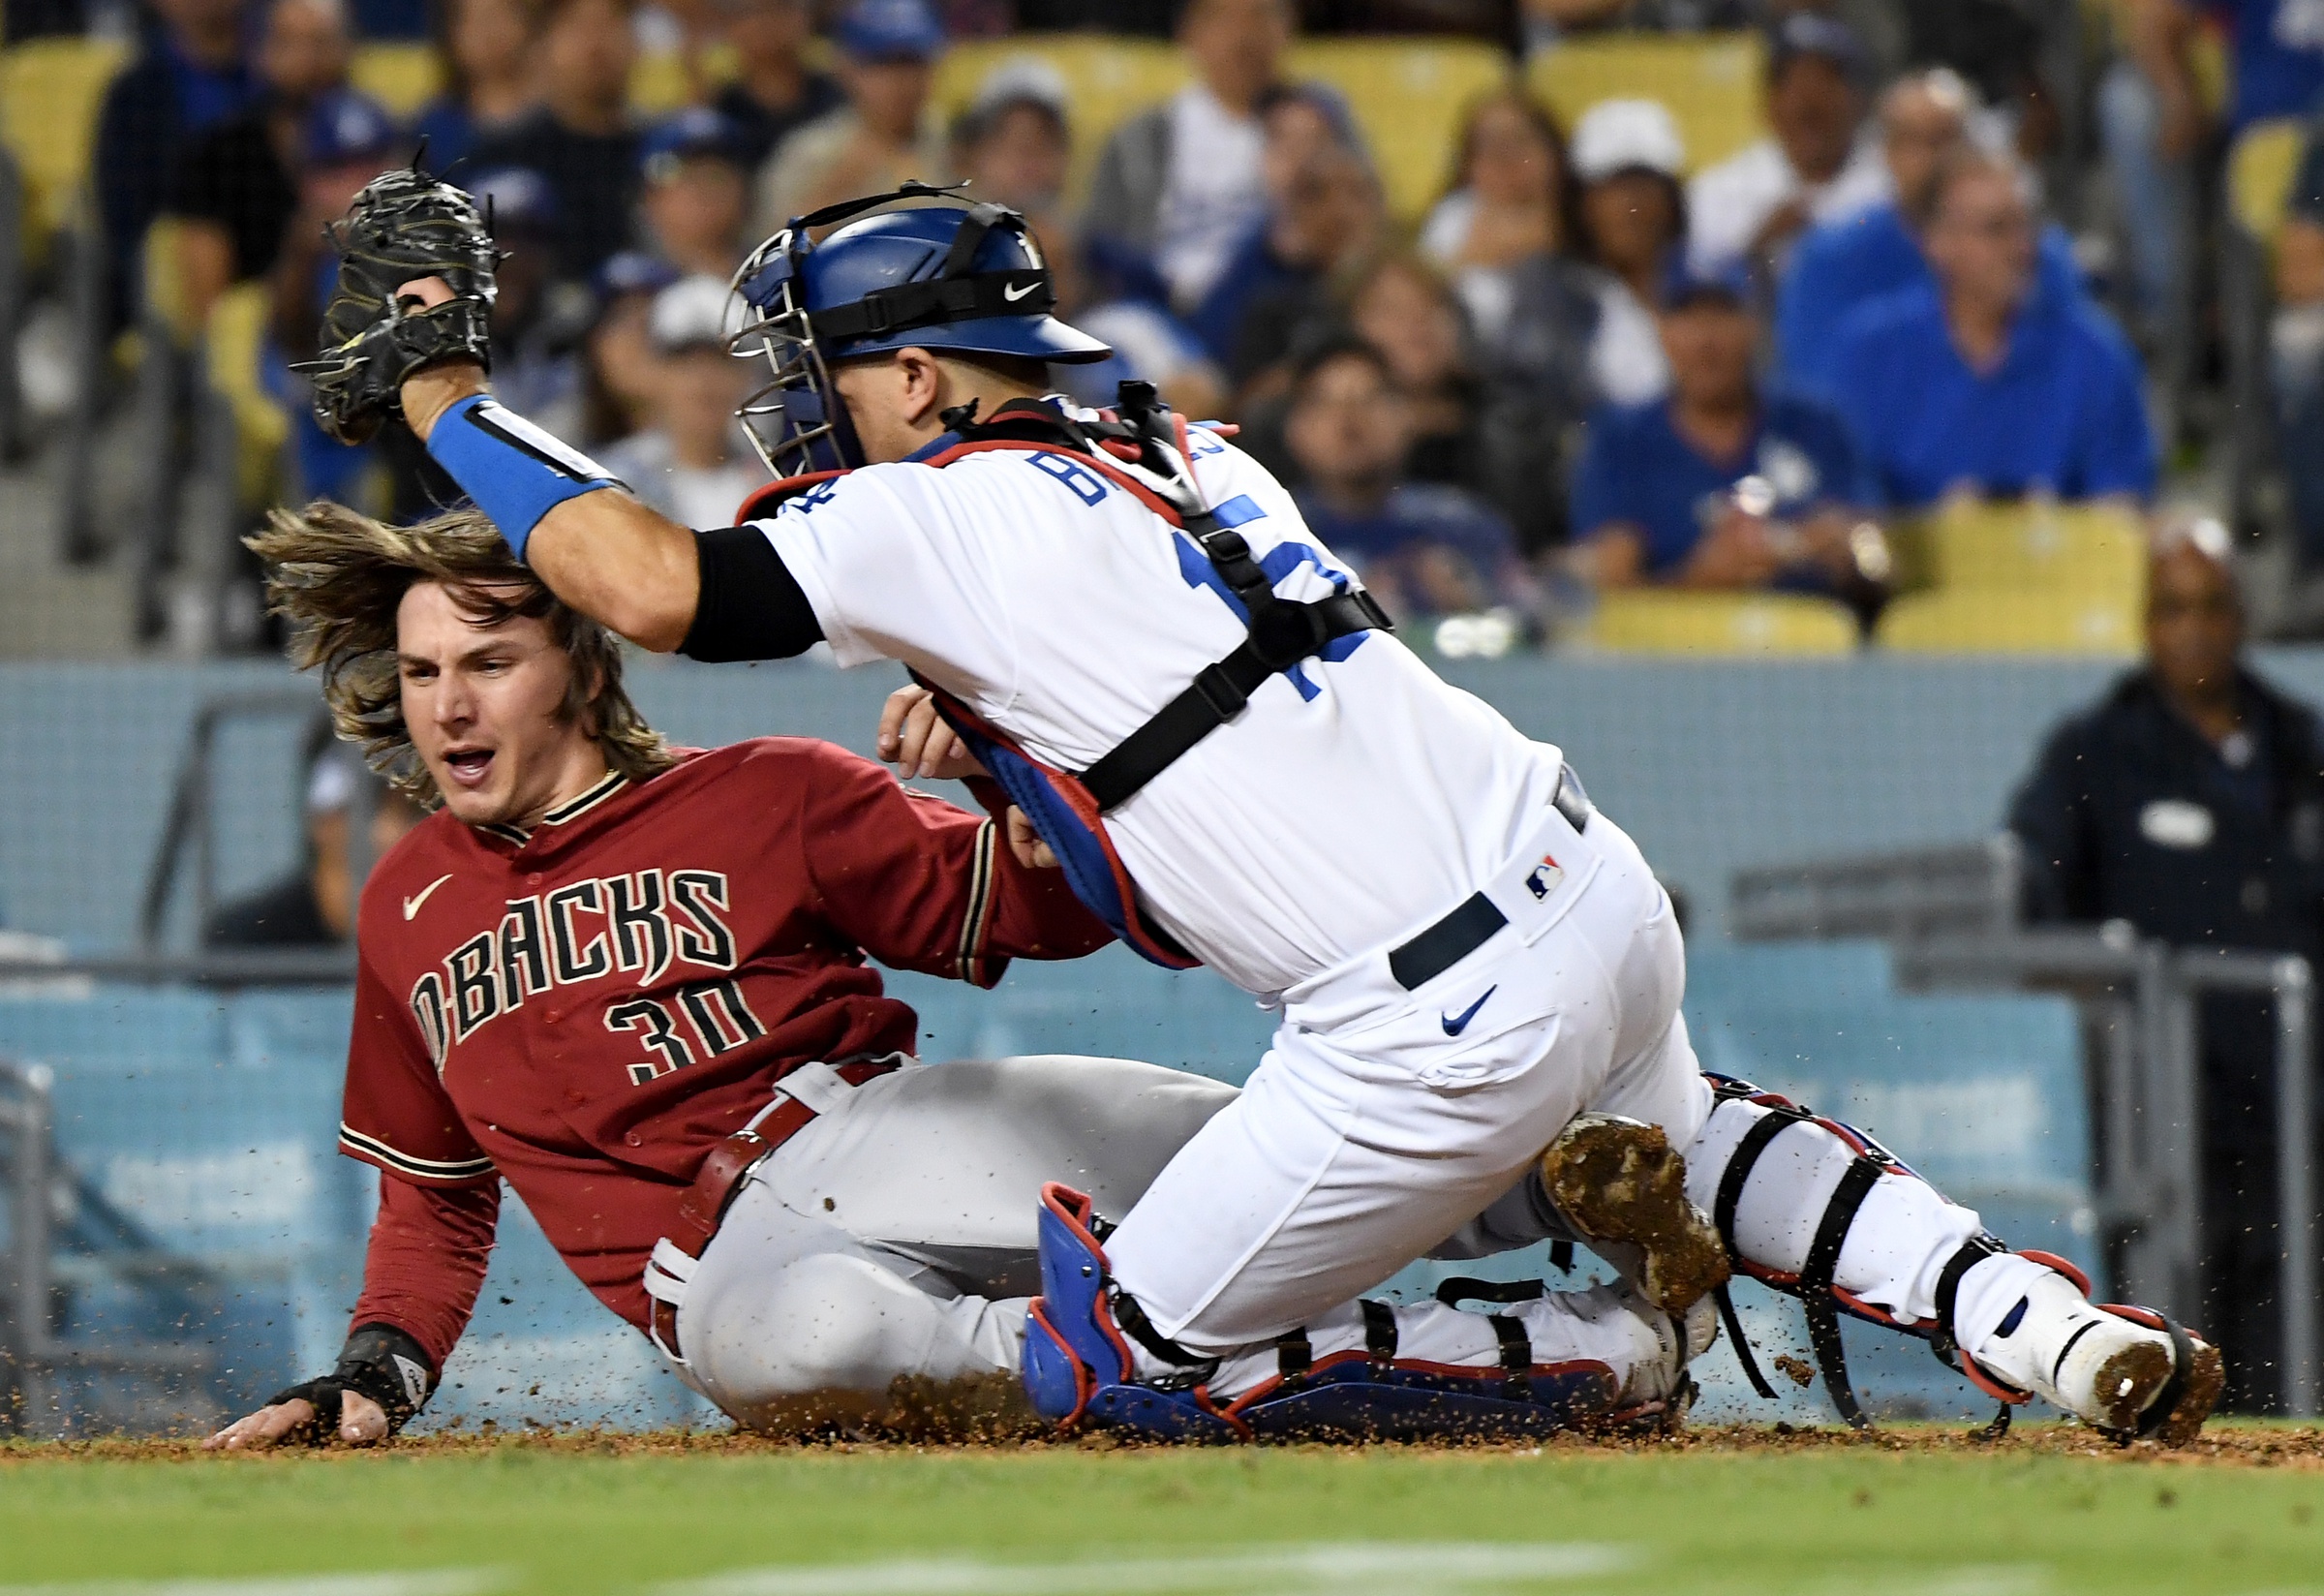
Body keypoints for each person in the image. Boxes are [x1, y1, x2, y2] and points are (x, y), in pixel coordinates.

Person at [334, 178, 2224, 1446]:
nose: (803, 412)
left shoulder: (945, 509)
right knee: (1708, 1135)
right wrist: (1008, 738)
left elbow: (653, 584)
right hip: (1585, 882)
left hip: (1413, 1017)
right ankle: (2051, 1329)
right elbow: (1150, 827)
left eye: (822, 375)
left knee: (1100, 1364)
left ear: (915, 375)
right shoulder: (1190, 441)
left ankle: (1578, 1353)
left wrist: (440, 394)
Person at [198, 503, 1214, 1445]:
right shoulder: (404, 907)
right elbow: (435, 1199)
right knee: (825, 1339)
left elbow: (1028, 912)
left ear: (587, 671)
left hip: (864, 1135)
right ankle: (1271, 1368)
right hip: (716, 1287)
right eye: (422, 673)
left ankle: (1307, 1345)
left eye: (490, 661)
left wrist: (1015, 772)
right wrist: (377, 1369)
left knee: (1235, 1154)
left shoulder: (771, 790)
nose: (451, 706)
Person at [2008, 519, 2324, 1413]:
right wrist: (2103, 1026)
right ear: (2147, 624)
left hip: (2301, 1115)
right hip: (2168, 1122)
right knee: (2180, 1328)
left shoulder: (2303, 750)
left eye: (2213, 606)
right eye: (2172, 608)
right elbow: (2037, 903)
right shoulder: (2097, 752)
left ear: (2242, 617)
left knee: (2302, 1344)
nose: (2194, 628)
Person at [1826, 150, 2156, 512]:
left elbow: (2123, 503)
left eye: (2026, 227)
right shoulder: (1872, 351)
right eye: (1996, 230)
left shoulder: (2095, 354)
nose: (2022, 248)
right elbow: (1844, 502)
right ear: (1937, 242)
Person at [1775, 69, 2084, 402]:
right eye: (1915, 141)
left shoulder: (2031, 252)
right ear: (1887, 154)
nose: (1935, 158)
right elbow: (1817, 391)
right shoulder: (1829, 259)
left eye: (1947, 138)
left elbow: (2074, 369)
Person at [1572, 278, 1877, 601]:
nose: (1706, 340)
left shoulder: (1815, 424)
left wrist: (1799, 546)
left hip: (1811, 641)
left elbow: (1871, 549)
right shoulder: (1621, 439)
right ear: (1662, 331)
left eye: (1723, 315)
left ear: (1754, 326)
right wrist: (1700, 579)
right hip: (1677, 647)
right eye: (1688, 318)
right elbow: (1612, 591)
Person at [165, 0, 385, 332]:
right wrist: (302, 253)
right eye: (287, 42)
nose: (306, 60)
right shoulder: (217, 155)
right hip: (267, 347)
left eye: (320, 42)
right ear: (261, 51)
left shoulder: (383, 143)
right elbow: (210, 318)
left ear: (347, 49)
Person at [1284, 335, 1531, 628]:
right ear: (1295, 429)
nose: (1349, 421)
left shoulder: (1464, 527)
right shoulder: (1272, 536)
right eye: (1326, 403)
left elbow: (1532, 628)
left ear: (1406, 418)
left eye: (1370, 400)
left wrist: (1473, 608)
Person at [1084, 0, 1300, 314]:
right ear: (1189, 32)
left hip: (1277, 312)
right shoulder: (1138, 138)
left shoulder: (1319, 128)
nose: (1243, 36)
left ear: (1286, 29)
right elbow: (1100, 247)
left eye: (1259, 17)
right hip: (1159, 310)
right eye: (1225, 19)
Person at [1685, 12, 1888, 287]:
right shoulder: (1717, 192)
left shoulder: (1891, 187)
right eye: (1792, 82)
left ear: (1860, 101)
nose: (1809, 98)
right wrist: (1755, 251)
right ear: (1767, 103)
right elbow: (1696, 299)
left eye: (1826, 81)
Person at [93, 0, 260, 332]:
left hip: (274, 256)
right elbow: (124, 224)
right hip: (178, 285)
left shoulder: (280, 76)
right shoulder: (135, 95)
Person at [470, 0, 640, 285]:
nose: (595, 45)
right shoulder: (501, 157)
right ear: (542, 46)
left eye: (611, 23)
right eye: (576, 27)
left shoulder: (658, 154)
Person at [751, 0, 951, 236]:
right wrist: (837, 186)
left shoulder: (960, 143)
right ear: (846, 68)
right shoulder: (810, 153)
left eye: (912, 62)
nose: (900, 80)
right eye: (881, 63)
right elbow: (769, 255)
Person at [203, 738, 423, 949]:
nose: (394, 831)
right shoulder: (245, 940)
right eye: (374, 808)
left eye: (413, 810)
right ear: (322, 821)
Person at [1421, 87, 1586, 355]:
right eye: (1488, 145)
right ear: (1468, 164)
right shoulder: (1454, 216)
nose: (1505, 157)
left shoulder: (1585, 212)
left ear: (1552, 152)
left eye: (1519, 141)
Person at [600, 275, 768, 529]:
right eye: (686, 363)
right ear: (656, 372)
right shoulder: (613, 483)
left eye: (721, 361)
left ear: (746, 376)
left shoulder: (773, 484)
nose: (704, 382)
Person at [1570, 98, 1689, 407]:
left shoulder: (1712, 285)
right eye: (1613, 187)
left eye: (1645, 185)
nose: (1630, 205)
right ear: (1584, 203)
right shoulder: (1557, 296)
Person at [410, 0, 543, 177]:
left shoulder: (560, 119)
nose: (489, 33)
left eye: (499, 17)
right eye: (474, 21)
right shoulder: (432, 128)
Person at [712, 0, 843, 171]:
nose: (767, 22)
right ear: (729, 25)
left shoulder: (839, 93)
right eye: (751, 12)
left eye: (781, 7)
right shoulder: (722, 111)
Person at [636, 109, 751, 280]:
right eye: (684, 176)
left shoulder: (779, 278)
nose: (702, 189)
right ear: (650, 197)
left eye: (716, 174)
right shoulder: (626, 289)